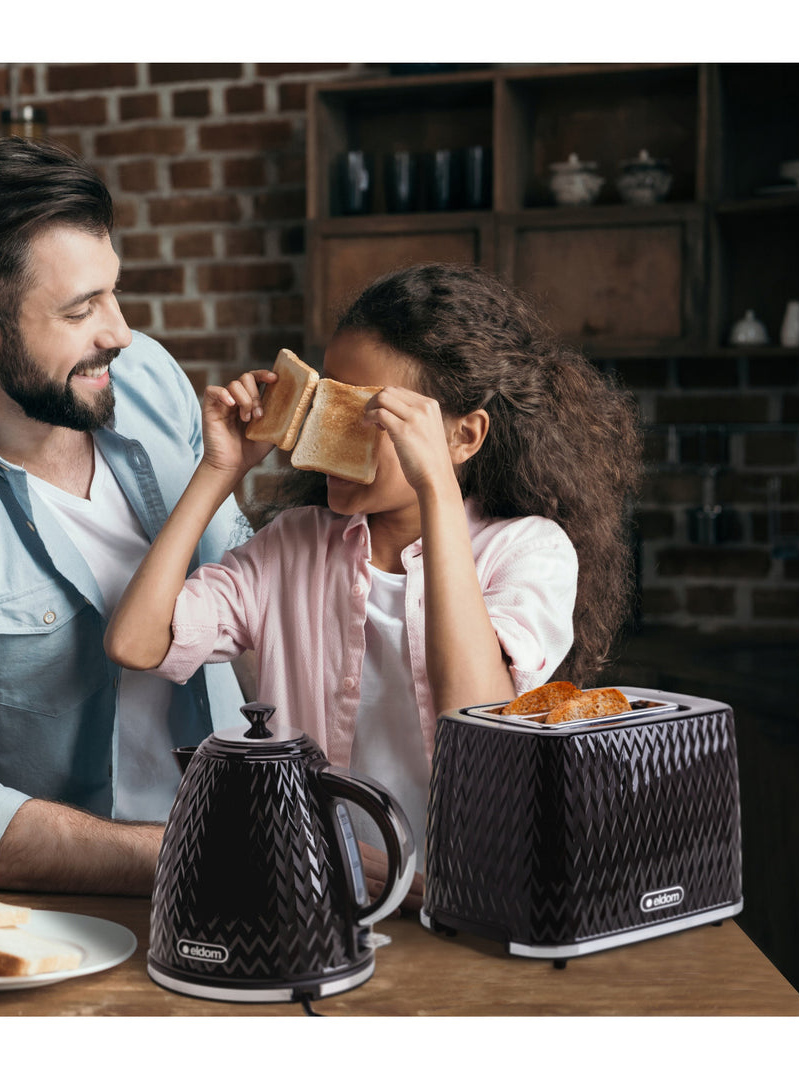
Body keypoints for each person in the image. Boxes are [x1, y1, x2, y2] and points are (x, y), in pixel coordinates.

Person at [105, 262, 643, 903]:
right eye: (327, 403)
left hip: (475, 893)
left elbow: (476, 718)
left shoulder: (527, 549)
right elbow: (135, 643)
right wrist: (218, 470)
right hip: (313, 894)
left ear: (464, 435)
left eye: (371, 413)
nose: (322, 435)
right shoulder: (296, 545)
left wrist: (437, 490)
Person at [0, 138, 251, 893]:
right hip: (94, 907)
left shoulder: (147, 377)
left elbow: (247, 593)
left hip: (266, 832)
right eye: (80, 309)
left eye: (113, 292)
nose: (119, 332)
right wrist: (202, 857)